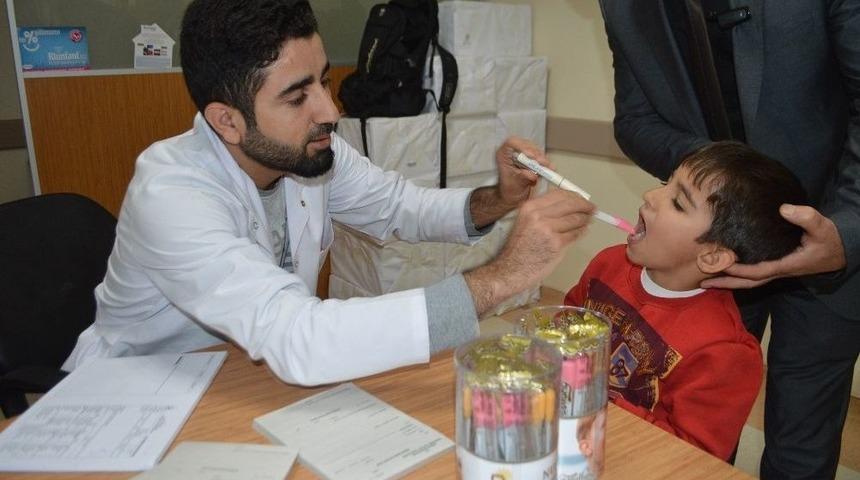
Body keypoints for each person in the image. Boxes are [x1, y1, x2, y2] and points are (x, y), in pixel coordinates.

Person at [61, 0, 594, 385]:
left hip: (245, 376)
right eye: (298, 96)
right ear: (226, 120)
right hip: (137, 393)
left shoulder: (308, 154)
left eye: (322, 79)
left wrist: (499, 198)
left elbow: (399, 207)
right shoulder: (171, 193)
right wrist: (504, 278)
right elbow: (301, 338)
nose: (330, 111)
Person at [598, 1, 860, 477]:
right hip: (721, 251)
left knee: (804, 434)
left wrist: (847, 231)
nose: (650, 200)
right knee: (709, 428)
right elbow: (634, 120)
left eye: (676, 199)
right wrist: (722, 183)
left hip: (838, 228)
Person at [565, 142, 808, 461]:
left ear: (712, 256)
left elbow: (692, 458)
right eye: (667, 183)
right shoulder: (609, 264)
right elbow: (564, 321)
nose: (651, 195)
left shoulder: (724, 352)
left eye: (678, 202)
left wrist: (591, 399)